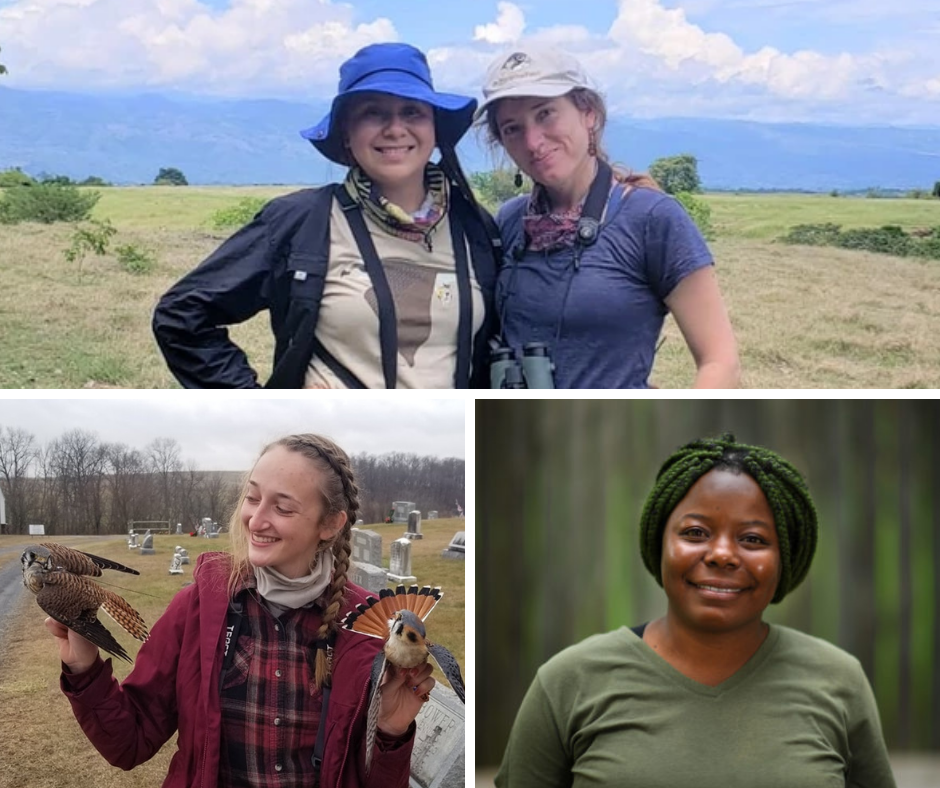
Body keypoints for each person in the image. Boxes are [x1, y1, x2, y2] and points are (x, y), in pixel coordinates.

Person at [495, 434, 896, 787]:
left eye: (753, 538)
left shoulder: (839, 680)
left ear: (787, 558)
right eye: (695, 533)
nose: (721, 554)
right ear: (659, 541)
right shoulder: (568, 681)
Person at [44, 433, 433, 787]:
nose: (256, 519)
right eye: (252, 497)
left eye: (282, 508)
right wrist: (84, 668)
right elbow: (129, 743)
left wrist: (389, 733)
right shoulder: (198, 608)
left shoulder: (368, 627)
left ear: (330, 523)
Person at [153, 43, 500, 389]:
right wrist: (257, 404)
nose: (395, 128)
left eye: (412, 112)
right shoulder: (302, 221)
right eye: (373, 113)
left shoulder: (475, 227)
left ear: (435, 128)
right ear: (347, 133)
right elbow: (182, 316)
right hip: (336, 438)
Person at [475, 47, 740, 388]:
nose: (533, 141)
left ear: (588, 114)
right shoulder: (510, 221)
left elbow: (720, 362)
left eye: (545, 114)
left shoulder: (651, 217)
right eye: (512, 129)